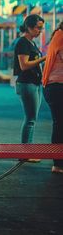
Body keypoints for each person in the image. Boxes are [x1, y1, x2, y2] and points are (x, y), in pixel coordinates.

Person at [13, 14, 46, 149]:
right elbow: (24, 65)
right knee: (30, 119)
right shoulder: (23, 42)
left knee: (32, 119)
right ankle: (25, 151)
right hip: (27, 83)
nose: (40, 31)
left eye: (41, 28)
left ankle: (27, 151)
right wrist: (44, 58)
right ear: (29, 27)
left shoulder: (31, 42)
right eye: (38, 28)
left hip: (34, 83)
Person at [42, 21, 63, 174]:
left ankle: (58, 162)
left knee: (59, 123)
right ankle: (58, 163)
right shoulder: (61, 37)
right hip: (57, 86)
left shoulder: (58, 35)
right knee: (60, 124)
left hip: (54, 86)